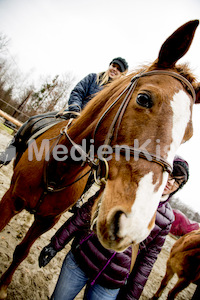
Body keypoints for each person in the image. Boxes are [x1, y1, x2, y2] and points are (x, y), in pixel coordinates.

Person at [38, 155, 189, 300]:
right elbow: (86, 213)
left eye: (177, 182)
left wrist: (130, 296)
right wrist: (56, 244)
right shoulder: (126, 184)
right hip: (81, 260)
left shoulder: (167, 219)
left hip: (110, 283)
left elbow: (147, 260)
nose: (171, 182)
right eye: (171, 175)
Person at [0, 57, 128, 166]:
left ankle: (85, 193)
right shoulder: (93, 78)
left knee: (98, 162)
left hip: (92, 130)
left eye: (118, 68)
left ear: (123, 74)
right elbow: (77, 91)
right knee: (32, 121)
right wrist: (75, 109)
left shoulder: (118, 95)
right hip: (72, 115)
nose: (114, 69)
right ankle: (8, 154)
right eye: (113, 65)